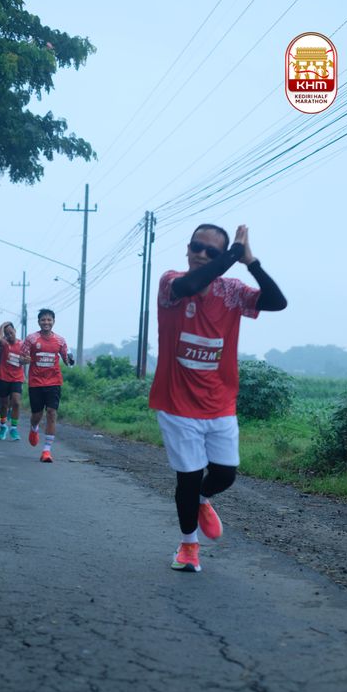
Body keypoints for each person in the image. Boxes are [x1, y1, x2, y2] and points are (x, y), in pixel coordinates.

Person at [149, 223, 287, 573]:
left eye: (211, 251)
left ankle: (200, 499)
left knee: (225, 474)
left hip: (220, 402)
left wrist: (250, 261)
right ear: (187, 248)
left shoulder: (232, 291)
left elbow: (277, 302)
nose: (201, 254)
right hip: (177, 403)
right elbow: (191, 285)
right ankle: (188, 546)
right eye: (197, 247)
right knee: (188, 475)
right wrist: (230, 255)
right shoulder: (171, 283)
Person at [20, 308, 74, 462]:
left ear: (53, 322)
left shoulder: (60, 341)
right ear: (38, 322)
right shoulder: (31, 339)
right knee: (37, 415)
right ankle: (34, 428)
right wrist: (24, 360)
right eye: (43, 320)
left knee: (51, 412)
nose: (46, 322)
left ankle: (46, 451)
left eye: (49, 320)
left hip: (54, 382)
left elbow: (67, 360)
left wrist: (70, 360)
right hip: (36, 382)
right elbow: (21, 358)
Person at [0, 321, 24, 441]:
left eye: (11, 332)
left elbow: (27, 359)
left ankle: (14, 428)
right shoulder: (4, 344)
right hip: (3, 377)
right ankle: (3, 426)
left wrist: (25, 361)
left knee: (16, 402)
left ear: (15, 331)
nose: (9, 335)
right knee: (4, 404)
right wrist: (3, 325)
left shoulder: (22, 344)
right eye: (7, 334)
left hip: (17, 378)